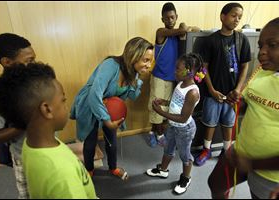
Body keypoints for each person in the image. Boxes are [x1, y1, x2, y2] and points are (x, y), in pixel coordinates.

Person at [208, 14, 279, 199]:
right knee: (216, 183)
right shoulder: (263, 71)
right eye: (261, 45)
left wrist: (253, 164)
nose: (261, 51)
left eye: (273, 44)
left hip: (274, 173)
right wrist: (239, 102)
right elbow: (250, 106)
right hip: (242, 153)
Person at [0, 62, 97, 198]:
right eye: (63, 100)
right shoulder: (62, 173)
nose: (66, 106)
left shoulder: (29, 144)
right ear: (47, 109)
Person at [70, 37, 154, 180]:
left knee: (112, 140)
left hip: (109, 107)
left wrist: (137, 79)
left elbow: (132, 96)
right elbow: (94, 94)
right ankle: (89, 170)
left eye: (150, 61)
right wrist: (106, 119)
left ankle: (113, 167)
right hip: (91, 103)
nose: (149, 65)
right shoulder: (110, 65)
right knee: (90, 141)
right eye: (145, 60)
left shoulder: (133, 72)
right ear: (133, 56)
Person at [195, 2, 251, 166]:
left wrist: (238, 89)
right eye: (234, 15)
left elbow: (245, 66)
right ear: (223, 16)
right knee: (210, 122)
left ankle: (226, 151)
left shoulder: (242, 40)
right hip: (214, 93)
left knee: (228, 123)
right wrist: (211, 90)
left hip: (232, 94)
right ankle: (206, 149)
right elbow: (203, 68)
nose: (237, 20)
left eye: (239, 17)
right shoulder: (211, 41)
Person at [146, 53, 206, 194]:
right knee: (168, 148)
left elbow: (183, 118)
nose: (175, 71)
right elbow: (176, 102)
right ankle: (163, 170)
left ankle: (186, 177)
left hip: (184, 129)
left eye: (178, 69)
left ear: (189, 71)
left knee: (185, 155)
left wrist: (160, 112)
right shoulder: (181, 83)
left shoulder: (192, 93)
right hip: (173, 125)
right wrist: (164, 102)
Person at [147, 2, 200, 147]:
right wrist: (184, 27)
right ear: (162, 19)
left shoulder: (179, 35)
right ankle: (156, 134)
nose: (170, 20)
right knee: (155, 105)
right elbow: (181, 31)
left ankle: (155, 132)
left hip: (172, 78)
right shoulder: (161, 32)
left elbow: (194, 30)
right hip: (159, 77)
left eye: (172, 17)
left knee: (165, 107)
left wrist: (187, 28)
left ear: (176, 17)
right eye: (167, 18)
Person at [0, 33, 36, 199]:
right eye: (28, 61)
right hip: (24, 158)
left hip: (47, 150)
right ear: (7, 62)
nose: (34, 65)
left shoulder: (34, 82)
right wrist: (25, 122)